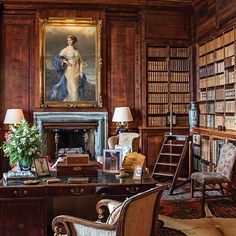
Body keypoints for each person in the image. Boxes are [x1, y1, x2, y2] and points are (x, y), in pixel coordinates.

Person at [50, 35, 87, 101]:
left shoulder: (76, 50)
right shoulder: (65, 50)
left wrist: (81, 72)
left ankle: (75, 104)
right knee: (74, 89)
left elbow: (80, 62)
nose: (69, 41)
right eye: (68, 40)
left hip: (77, 71)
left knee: (76, 89)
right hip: (69, 71)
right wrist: (64, 61)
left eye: (70, 40)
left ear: (74, 41)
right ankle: (72, 103)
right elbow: (56, 59)